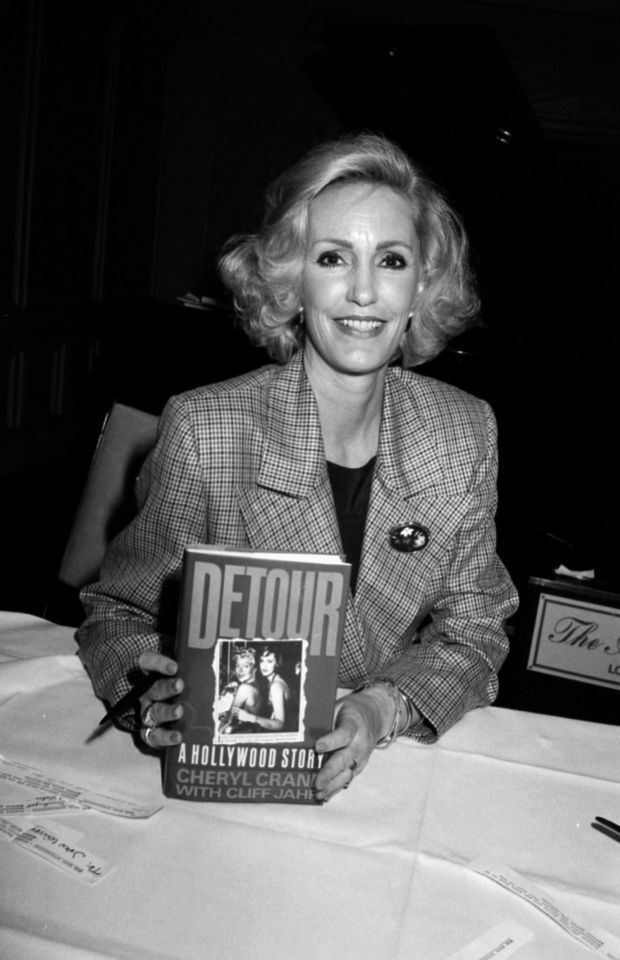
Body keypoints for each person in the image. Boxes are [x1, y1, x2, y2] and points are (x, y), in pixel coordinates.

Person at [77, 132, 518, 802]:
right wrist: (150, 695)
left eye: (392, 260)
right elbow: (114, 613)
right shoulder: (206, 430)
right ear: (292, 275)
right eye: (334, 257)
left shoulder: (465, 433)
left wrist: (382, 709)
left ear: (422, 284)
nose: (365, 291)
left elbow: (476, 631)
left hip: (387, 776)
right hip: (224, 777)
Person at [236, 643, 292, 733]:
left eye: (269, 661)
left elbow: (280, 724)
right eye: (262, 661)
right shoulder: (272, 680)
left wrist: (250, 718)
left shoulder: (276, 686)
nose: (264, 665)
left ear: (277, 663)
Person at [217, 646, 264, 734]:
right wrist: (224, 714)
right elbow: (234, 713)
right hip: (250, 730)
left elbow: (229, 721)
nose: (240, 670)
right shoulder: (256, 685)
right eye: (238, 665)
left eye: (246, 666)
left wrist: (218, 731)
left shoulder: (244, 688)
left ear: (254, 669)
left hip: (242, 731)